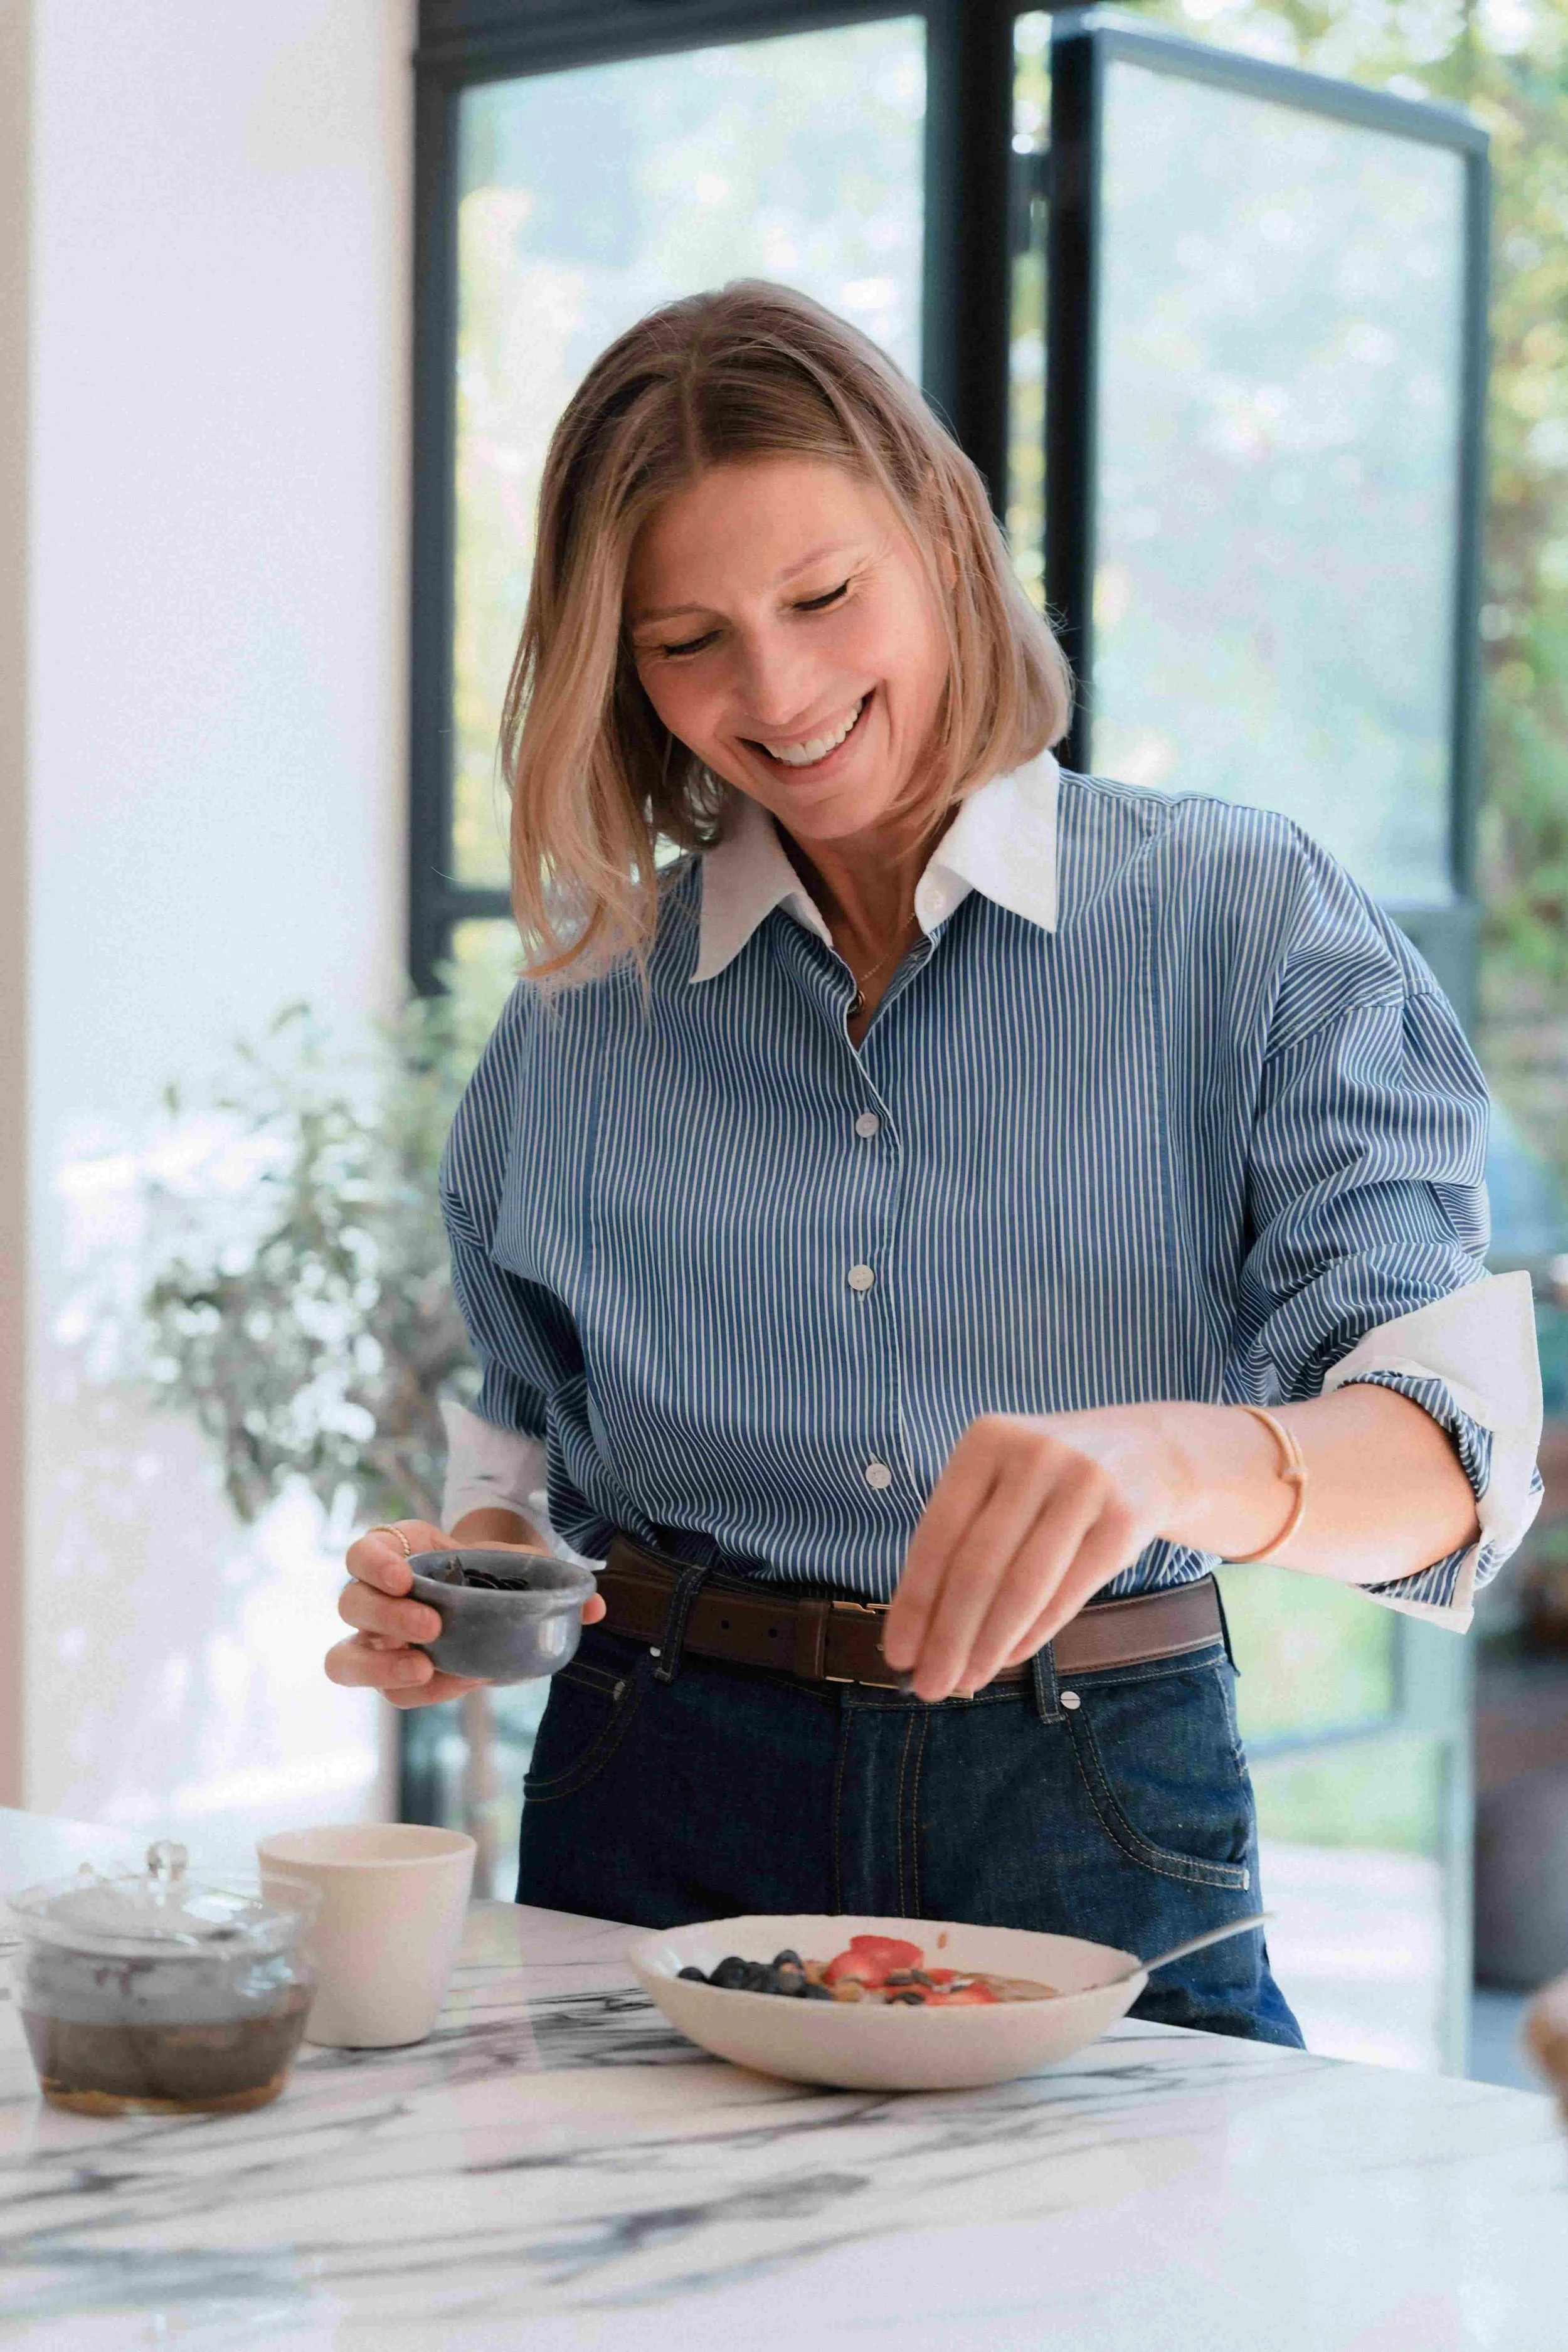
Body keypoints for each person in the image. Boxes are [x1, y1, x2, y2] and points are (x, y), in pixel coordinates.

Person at [327, 281, 1542, 2044]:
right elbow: (519, 1480)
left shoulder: (1242, 919)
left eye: (824, 597)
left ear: (944, 544)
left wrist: (1169, 1461)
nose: (780, 690)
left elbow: (1449, 1467)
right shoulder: (586, 1018)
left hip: (1084, 1791)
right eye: (688, 641)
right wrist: (461, 1598)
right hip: (653, 1782)